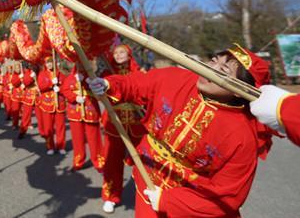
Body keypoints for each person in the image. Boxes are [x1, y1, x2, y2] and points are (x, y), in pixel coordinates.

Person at [87, 44, 272, 218]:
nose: (211, 70)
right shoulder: (175, 78)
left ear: (241, 91)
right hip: (146, 180)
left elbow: (227, 196)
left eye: (223, 70)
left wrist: (168, 200)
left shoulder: (242, 135)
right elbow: (137, 83)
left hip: (190, 206)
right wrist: (109, 85)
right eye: (213, 61)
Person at [99, 45, 146, 214]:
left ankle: (146, 191)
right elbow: (99, 94)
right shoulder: (106, 74)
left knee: (144, 161)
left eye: (122, 52)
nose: (118, 55)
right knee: (112, 161)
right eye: (115, 52)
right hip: (114, 122)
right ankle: (111, 195)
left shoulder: (139, 72)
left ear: (129, 54)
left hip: (137, 124)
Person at [60, 65, 103, 172]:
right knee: (77, 138)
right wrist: (75, 97)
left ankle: (99, 162)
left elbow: (100, 91)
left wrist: (88, 82)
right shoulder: (70, 78)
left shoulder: (92, 77)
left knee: (94, 138)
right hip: (75, 112)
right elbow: (64, 90)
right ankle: (78, 161)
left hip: (90, 110)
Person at [36, 56, 67, 155]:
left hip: (59, 103)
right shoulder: (42, 74)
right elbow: (40, 87)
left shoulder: (60, 74)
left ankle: (61, 145)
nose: (49, 64)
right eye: (47, 63)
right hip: (46, 103)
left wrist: (60, 88)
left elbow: (66, 87)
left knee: (60, 126)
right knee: (48, 127)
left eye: (50, 62)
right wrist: (50, 83)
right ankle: (50, 146)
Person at [18, 63, 38, 139]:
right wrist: (31, 77)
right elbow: (26, 82)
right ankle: (22, 131)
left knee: (41, 116)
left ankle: (46, 132)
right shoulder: (28, 73)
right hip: (29, 96)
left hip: (39, 96)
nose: (33, 66)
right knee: (26, 115)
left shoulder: (42, 72)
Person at [9, 62, 24, 130]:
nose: (18, 69)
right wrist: (19, 78)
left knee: (24, 111)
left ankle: (25, 124)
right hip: (16, 96)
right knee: (16, 111)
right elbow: (15, 83)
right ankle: (15, 124)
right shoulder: (14, 75)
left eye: (19, 68)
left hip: (23, 95)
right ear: (14, 69)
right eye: (17, 68)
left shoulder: (23, 73)